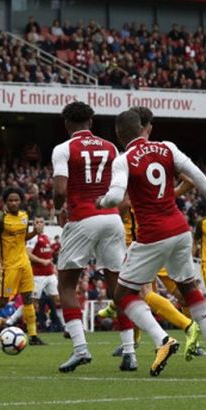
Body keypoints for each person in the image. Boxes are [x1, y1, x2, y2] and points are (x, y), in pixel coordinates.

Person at [97, 109, 206, 376]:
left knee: (123, 295)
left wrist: (100, 202)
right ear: (142, 128)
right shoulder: (167, 148)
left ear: (119, 134)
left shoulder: (123, 160)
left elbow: (114, 197)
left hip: (152, 235)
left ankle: (162, 340)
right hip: (180, 230)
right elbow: (197, 174)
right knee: (189, 288)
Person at [51, 101, 133, 373]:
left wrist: (57, 209)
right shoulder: (111, 147)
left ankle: (80, 349)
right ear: (91, 122)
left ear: (66, 125)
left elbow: (61, 190)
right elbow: (123, 194)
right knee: (118, 288)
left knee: (66, 286)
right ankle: (130, 352)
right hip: (111, 217)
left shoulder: (63, 149)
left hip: (83, 217)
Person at [0, 187, 45, 346]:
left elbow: (23, 238)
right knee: (3, 300)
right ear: (5, 202)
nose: (14, 203)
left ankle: (33, 335)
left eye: (16, 200)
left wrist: (35, 232)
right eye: (10, 200)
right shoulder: (0, 221)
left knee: (28, 298)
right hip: (9, 266)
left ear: (20, 201)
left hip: (24, 263)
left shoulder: (24, 217)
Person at [4, 215, 65, 330]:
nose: (39, 224)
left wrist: (53, 267)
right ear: (34, 224)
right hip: (38, 276)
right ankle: (11, 320)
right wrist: (42, 261)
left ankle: (66, 326)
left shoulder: (46, 237)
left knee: (58, 299)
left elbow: (47, 255)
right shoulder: (34, 237)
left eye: (41, 222)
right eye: (37, 222)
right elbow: (28, 253)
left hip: (49, 275)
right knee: (32, 302)